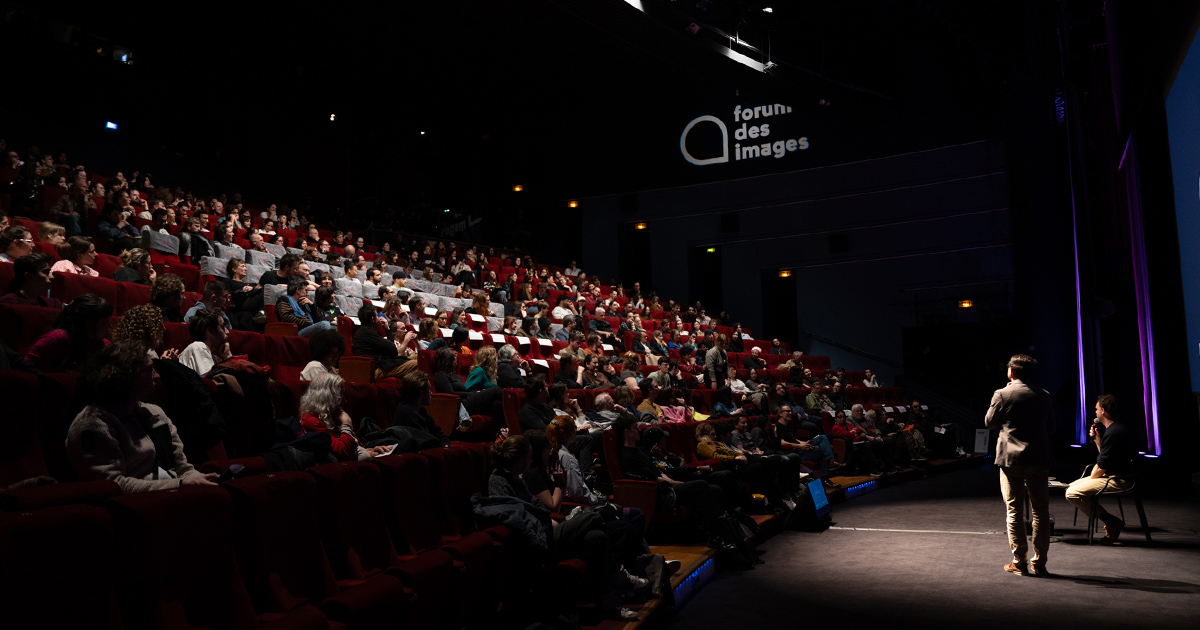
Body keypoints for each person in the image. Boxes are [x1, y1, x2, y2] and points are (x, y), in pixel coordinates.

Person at [65, 341, 217, 492]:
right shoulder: (94, 424)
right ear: (127, 376)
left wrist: (203, 480)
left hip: (173, 496)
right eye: (150, 370)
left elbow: (183, 469)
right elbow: (112, 485)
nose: (157, 376)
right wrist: (180, 484)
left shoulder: (155, 413)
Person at [984, 354, 1055, 576]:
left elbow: (989, 422)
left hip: (1011, 459)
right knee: (1041, 511)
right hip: (1039, 458)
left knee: (1014, 509)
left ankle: (1019, 560)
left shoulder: (1003, 394)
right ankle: (1040, 561)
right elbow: (1051, 427)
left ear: (1011, 372)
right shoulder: (1044, 395)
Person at [1065, 394, 1136, 546]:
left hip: (1120, 480)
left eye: (1096, 409)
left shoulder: (1114, 432)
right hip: (1114, 475)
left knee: (1073, 493)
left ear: (1103, 411)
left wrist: (1091, 480)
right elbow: (1107, 457)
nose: (1095, 412)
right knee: (1071, 487)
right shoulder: (1115, 429)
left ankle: (1112, 522)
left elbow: (1101, 466)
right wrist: (1098, 441)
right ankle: (1111, 522)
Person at [299, 373, 392, 461]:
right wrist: (347, 424)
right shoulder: (311, 421)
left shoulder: (329, 415)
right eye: (339, 395)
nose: (344, 401)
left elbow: (352, 446)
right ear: (328, 397)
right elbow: (341, 452)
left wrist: (369, 450)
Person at [352, 305, 420, 380]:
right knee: (420, 363)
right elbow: (392, 350)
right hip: (374, 370)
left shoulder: (363, 332)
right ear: (373, 319)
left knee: (420, 357)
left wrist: (387, 329)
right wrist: (406, 340)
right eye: (377, 316)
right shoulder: (367, 332)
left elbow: (390, 349)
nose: (378, 318)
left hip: (382, 364)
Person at [391, 370, 451, 448]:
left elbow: (440, 434)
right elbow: (424, 442)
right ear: (422, 393)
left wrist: (446, 444)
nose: (431, 393)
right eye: (429, 390)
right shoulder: (406, 412)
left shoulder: (421, 411)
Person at [178, 308, 232, 376]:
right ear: (210, 331)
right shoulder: (198, 347)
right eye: (222, 327)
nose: (228, 331)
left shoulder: (214, 357)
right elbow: (211, 381)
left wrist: (227, 356)